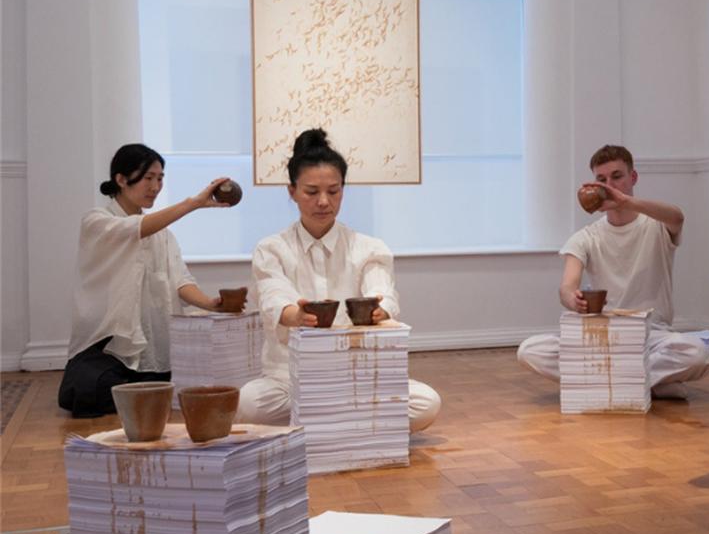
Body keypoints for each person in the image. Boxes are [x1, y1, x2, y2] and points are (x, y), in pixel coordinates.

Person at [237, 129, 440, 433]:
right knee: (247, 404)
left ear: (344, 189)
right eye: (311, 192)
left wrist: (381, 311)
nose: (323, 201)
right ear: (291, 191)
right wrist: (296, 315)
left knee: (427, 403)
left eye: (333, 191)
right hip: (291, 379)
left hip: (355, 374)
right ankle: (350, 423)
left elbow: (383, 293)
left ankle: (324, 423)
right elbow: (272, 298)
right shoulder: (271, 249)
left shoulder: (369, 247)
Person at [517, 145, 709, 399]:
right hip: (602, 338)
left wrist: (626, 201)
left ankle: (606, 382)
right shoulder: (586, 237)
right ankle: (649, 384)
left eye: (617, 177)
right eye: (602, 179)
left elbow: (677, 217)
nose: (609, 185)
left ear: (633, 178)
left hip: (652, 334)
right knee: (529, 350)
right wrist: (571, 299)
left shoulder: (656, 225)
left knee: (697, 354)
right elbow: (567, 286)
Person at [59, 144, 236, 418]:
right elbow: (134, 229)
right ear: (121, 180)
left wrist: (213, 304)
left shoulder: (162, 234)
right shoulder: (96, 221)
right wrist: (193, 203)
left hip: (154, 350)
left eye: (160, 178)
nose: (155, 186)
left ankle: (146, 390)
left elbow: (181, 281)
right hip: (108, 347)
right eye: (148, 178)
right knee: (87, 391)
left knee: (177, 387)